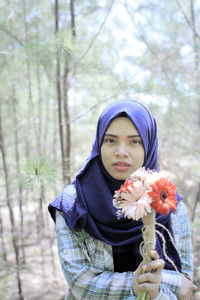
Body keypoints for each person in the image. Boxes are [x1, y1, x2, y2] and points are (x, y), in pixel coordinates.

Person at [48, 100, 197, 299]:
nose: (121, 151)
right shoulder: (73, 204)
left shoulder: (168, 203)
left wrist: (159, 291)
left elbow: (186, 284)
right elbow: (80, 283)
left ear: (149, 145)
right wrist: (138, 285)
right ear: (99, 144)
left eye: (134, 141)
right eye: (110, 140)